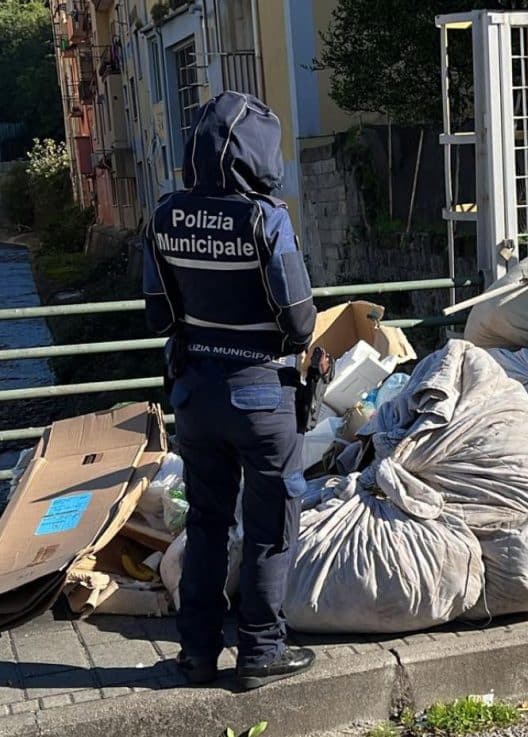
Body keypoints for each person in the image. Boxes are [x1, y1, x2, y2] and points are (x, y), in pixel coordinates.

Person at [142, 91, 317, 691]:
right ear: (258, 155)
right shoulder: (265, 219)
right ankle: (260, 652)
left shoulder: (166, 215)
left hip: (194, 394)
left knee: (209, 525)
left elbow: (159, 317)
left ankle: (195, 653)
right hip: (260, 396)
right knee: (269, 526)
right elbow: (299, 321)